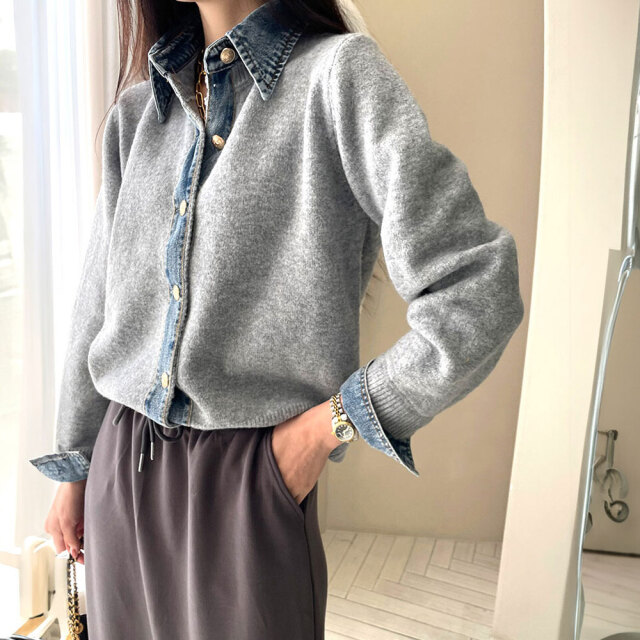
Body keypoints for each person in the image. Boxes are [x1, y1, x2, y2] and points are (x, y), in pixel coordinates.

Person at [28, 0, 525, 638]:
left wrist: (329, 425)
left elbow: (477, 291)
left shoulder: (338, 77)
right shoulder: (136, 116)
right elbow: (96, 305)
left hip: (252, 480)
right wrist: (75, 468)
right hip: (119, 469)